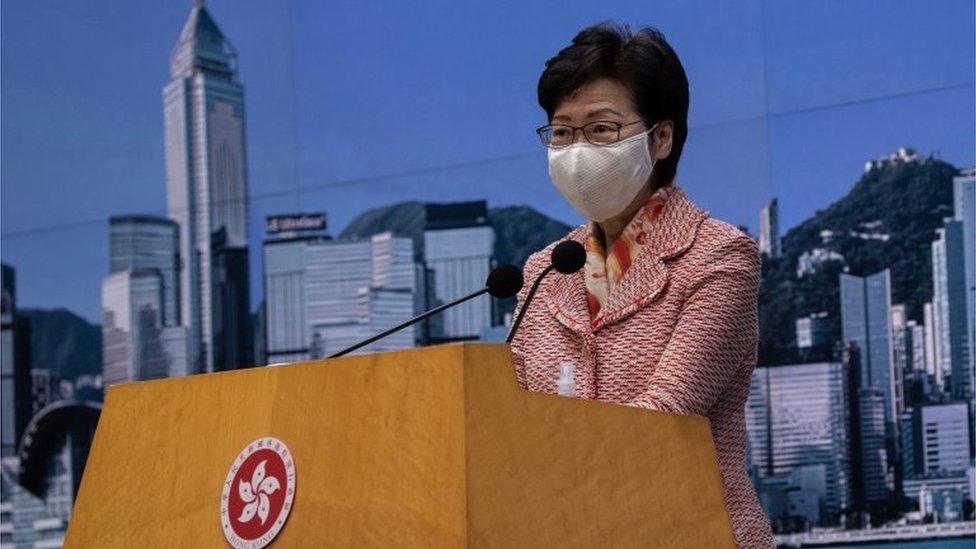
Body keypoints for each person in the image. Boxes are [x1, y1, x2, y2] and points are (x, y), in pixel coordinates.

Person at [510, 22, 775, 548]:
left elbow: (662, 418)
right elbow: (511, 419)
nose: (576, 150)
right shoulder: (545, 269)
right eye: (562, 132)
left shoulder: (718, 258)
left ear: (662, 137)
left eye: (601, 129)